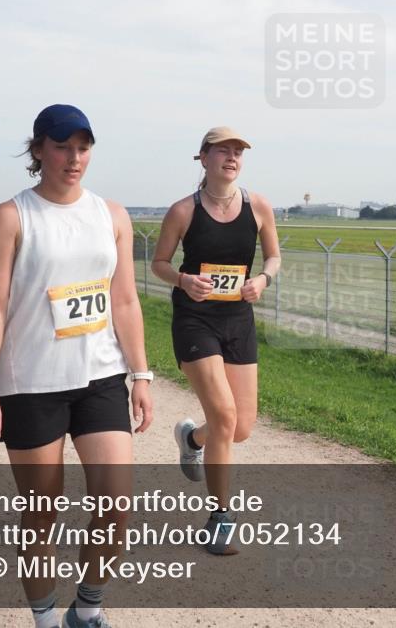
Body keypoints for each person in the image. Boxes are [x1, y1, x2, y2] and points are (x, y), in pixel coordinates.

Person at [0, 104, 153, 628]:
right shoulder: (13, 216)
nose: (74, 158)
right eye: (62, 146)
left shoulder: (111, 215)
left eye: (83, 147)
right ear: (38, 151)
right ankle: (45, 619)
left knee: (116, 507)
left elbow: (123, 302)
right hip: (31, 384)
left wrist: (140, 375)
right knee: (41, 515)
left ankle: (88, 609)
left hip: (99, 377)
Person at [151, 126, 280, 555]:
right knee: (224, 415)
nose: (232, 157)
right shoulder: (183, 211)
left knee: (239, 428)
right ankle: (220, 519)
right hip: (195, 320)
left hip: (238, 319)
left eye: (238, 151)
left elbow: (275, 256)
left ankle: (192, 440)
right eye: (223, 150)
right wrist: (185, 280)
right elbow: (159, 263)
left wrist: (261, 279)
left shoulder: (258, 205)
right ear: (202, 158)